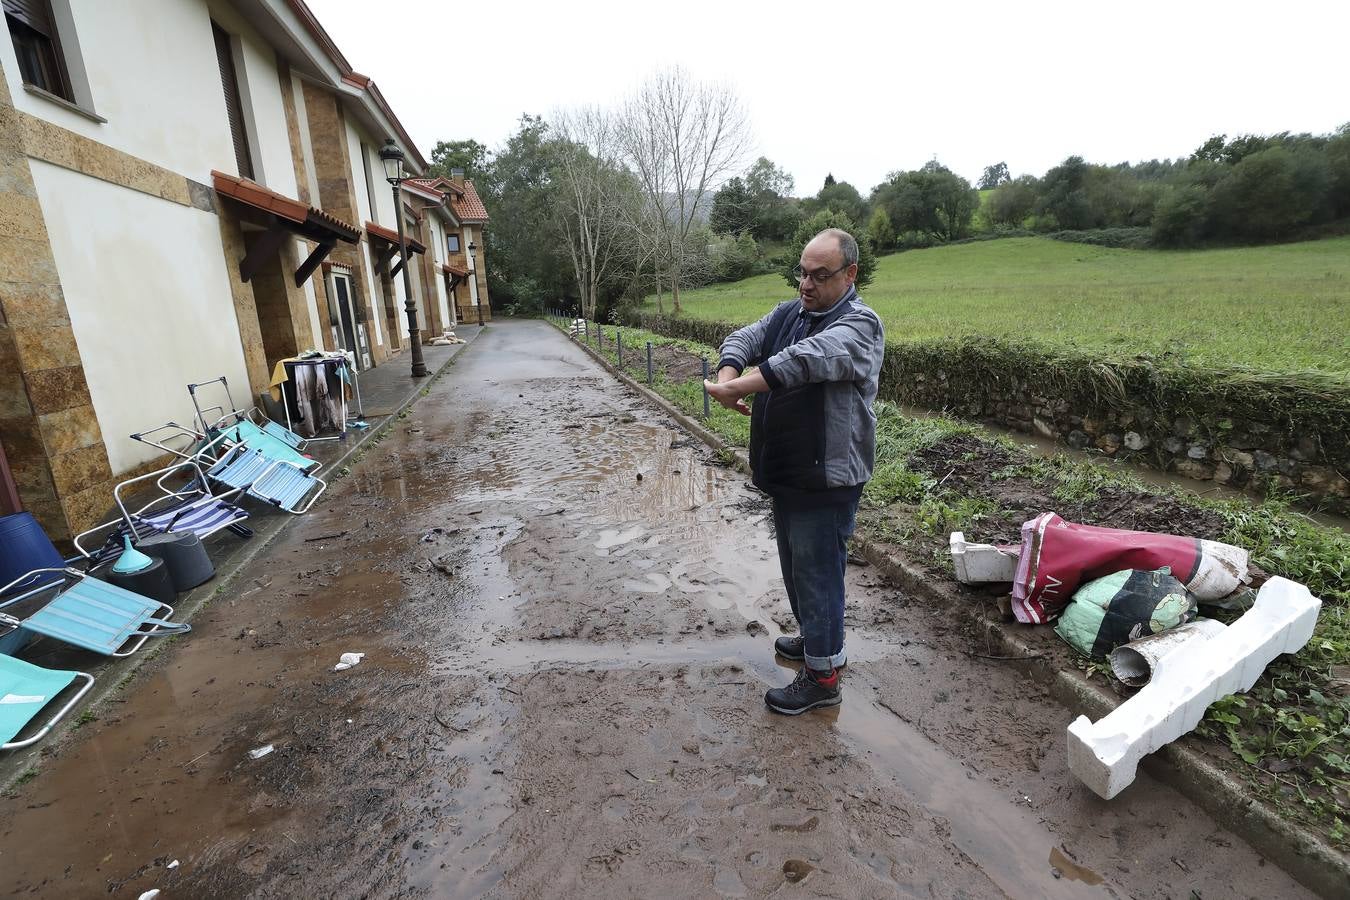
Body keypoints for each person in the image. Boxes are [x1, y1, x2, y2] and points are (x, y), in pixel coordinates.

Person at [705, 228, 885, 715]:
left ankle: (823, 677)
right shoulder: (794, 312)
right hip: (788, 471)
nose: (805, 285)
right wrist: (728, 376)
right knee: (797, 566)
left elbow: (806, 360)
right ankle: (814, 640)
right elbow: (749, 336)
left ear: (849, 275)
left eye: (819, 276)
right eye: (802, 273)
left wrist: (745, 384)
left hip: (825, 477)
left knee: (819, 573)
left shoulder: (858, 325)